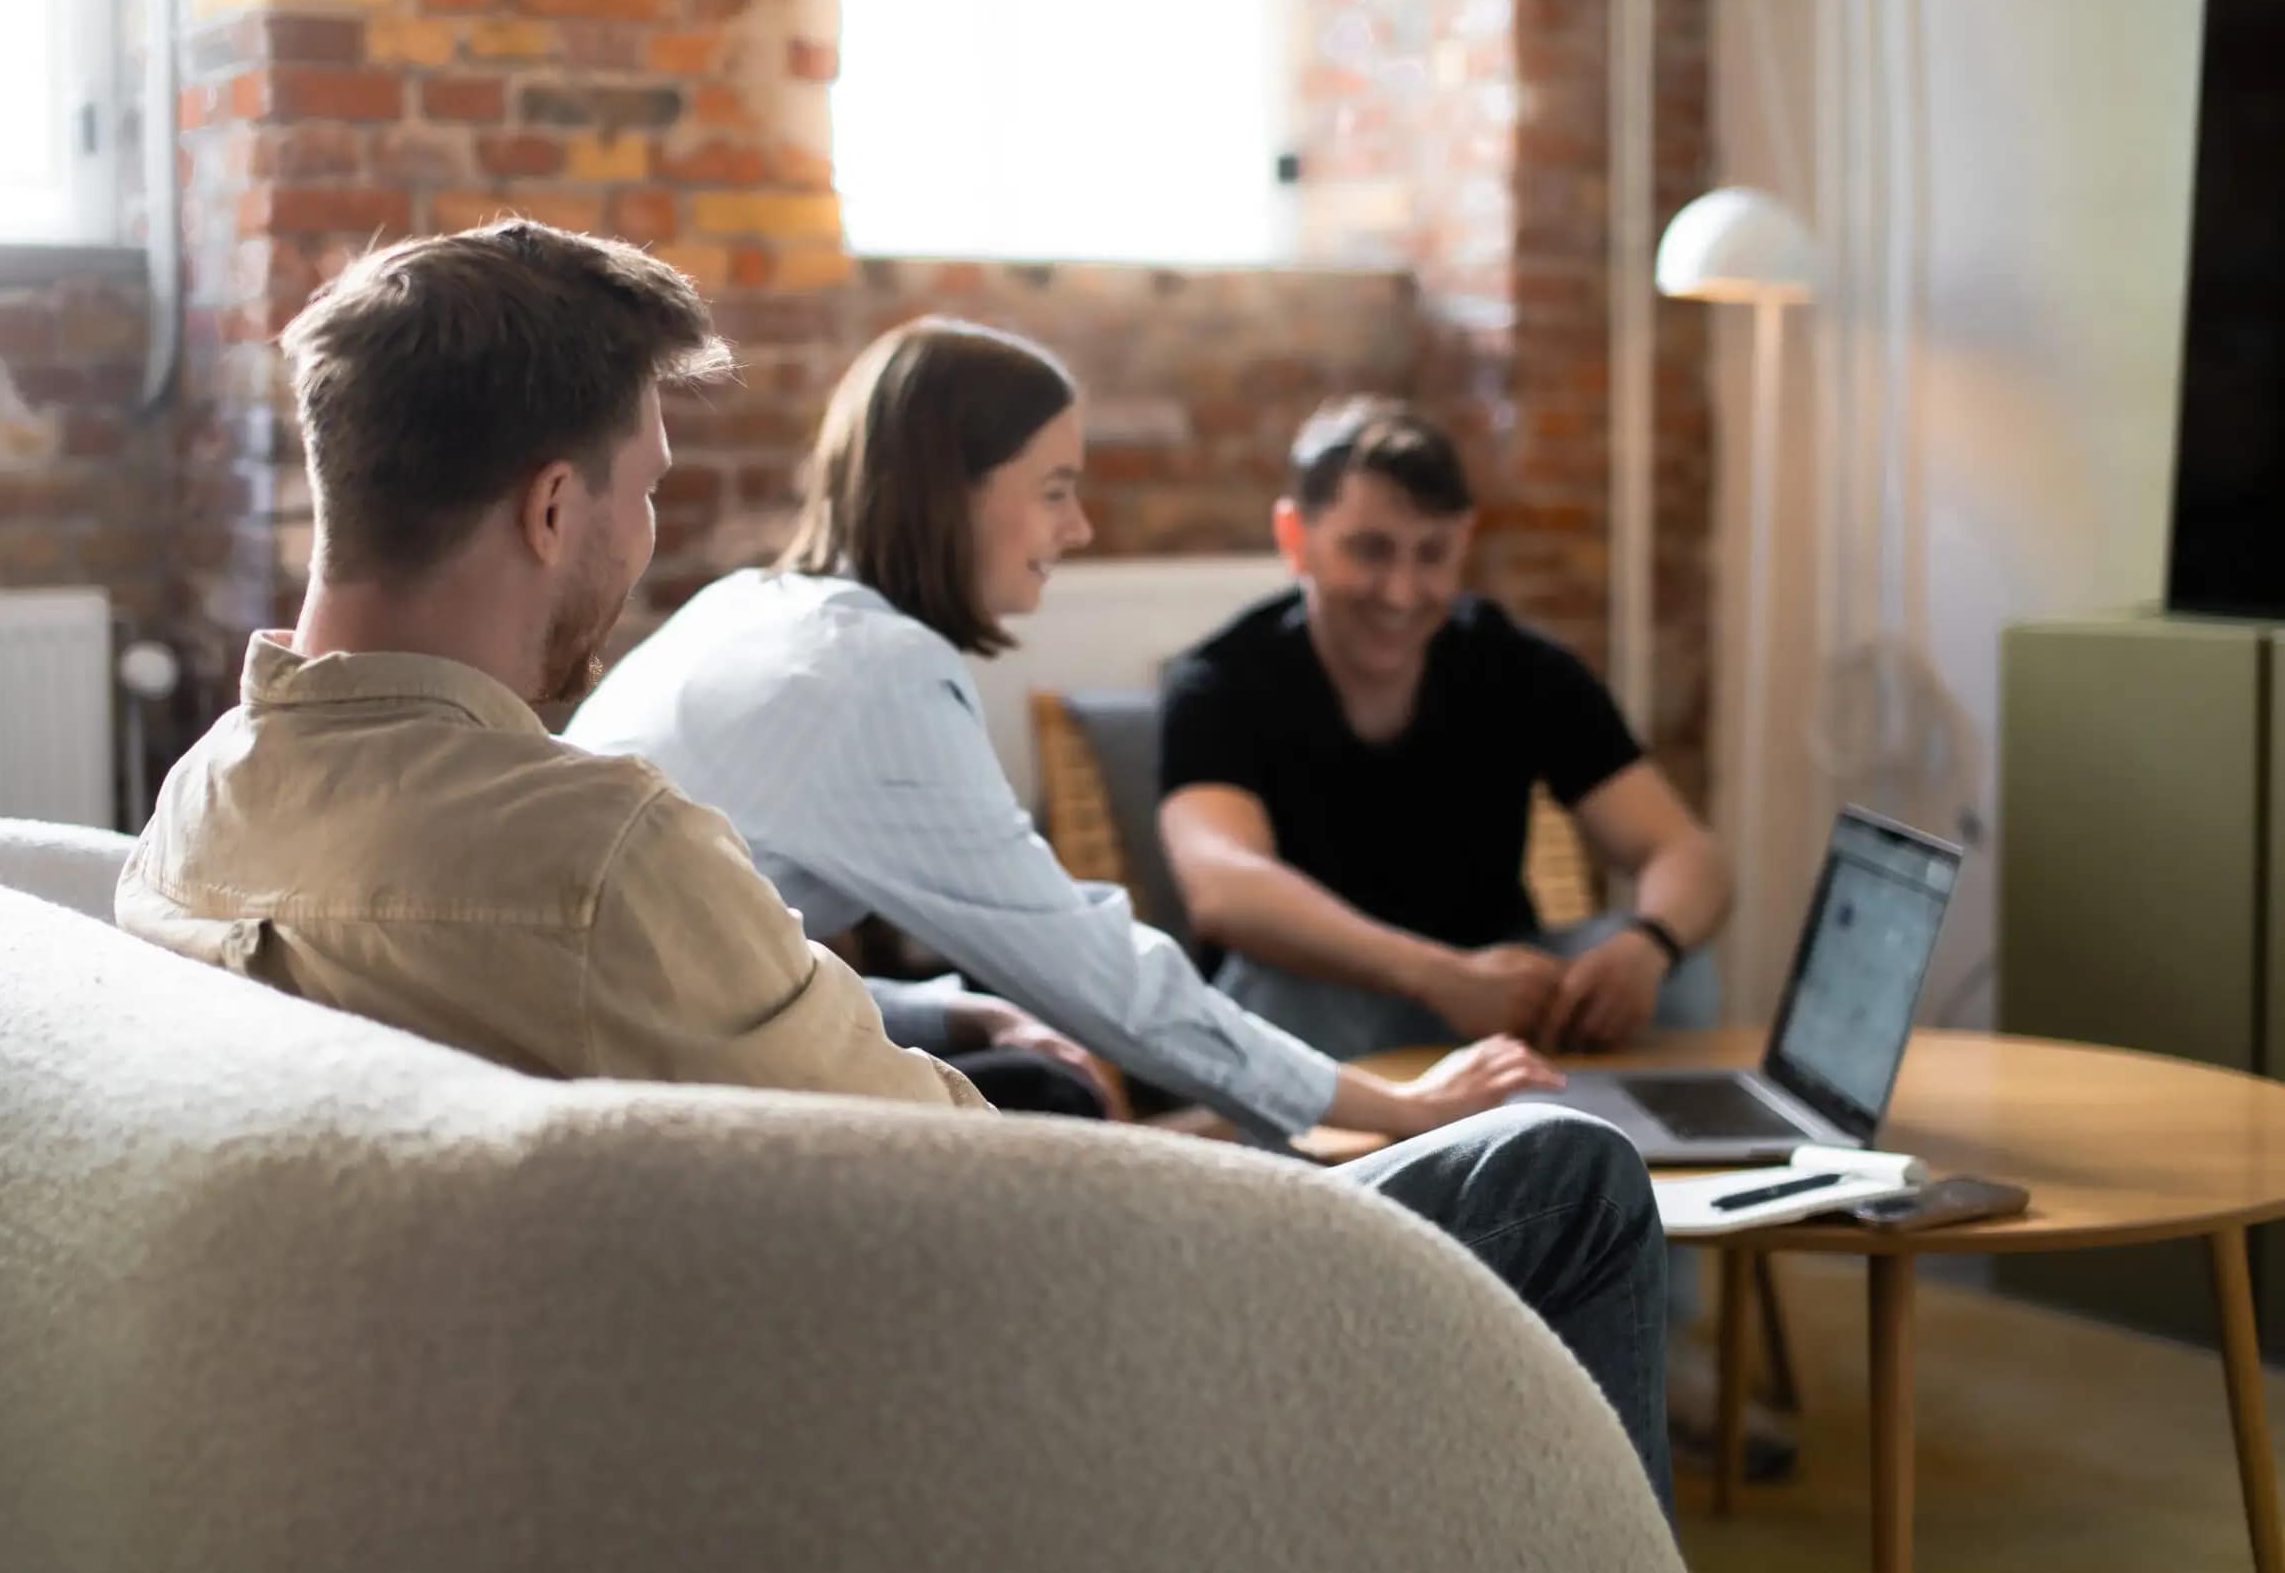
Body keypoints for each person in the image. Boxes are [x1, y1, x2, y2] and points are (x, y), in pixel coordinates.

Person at [571, 317, 1672, 1507]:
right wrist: (1390, 1103)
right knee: (1573, 1174)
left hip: (679, 1160)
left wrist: (949, 1013)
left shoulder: (753, 613)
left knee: (1053, 1087)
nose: (1077, 529)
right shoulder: (869, 678)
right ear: (953, 492)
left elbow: (732, 945)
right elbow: (1106, 974)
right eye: (1053, 490)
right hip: (757, 1206)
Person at [118, 222, 983, 1115]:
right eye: (647, 490)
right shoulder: (607, 856)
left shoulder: (192, 800)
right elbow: (960, 1167)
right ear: (555, 508)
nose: (648, 530)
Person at [1157, 395, 1733, 1065]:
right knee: (1270, 997)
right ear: (1296, 540)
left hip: (1494, 1000)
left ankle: (1650, 1149)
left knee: (1681, 974)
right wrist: (1436, 976)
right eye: (1370, 550)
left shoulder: (1519, 665)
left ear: (1465, 543)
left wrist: (1649, 944)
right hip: (1327, 998)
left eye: (1432, 554)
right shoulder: (1221, 681)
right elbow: (1224, 888)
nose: (1401, 592)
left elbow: (1688, 852)